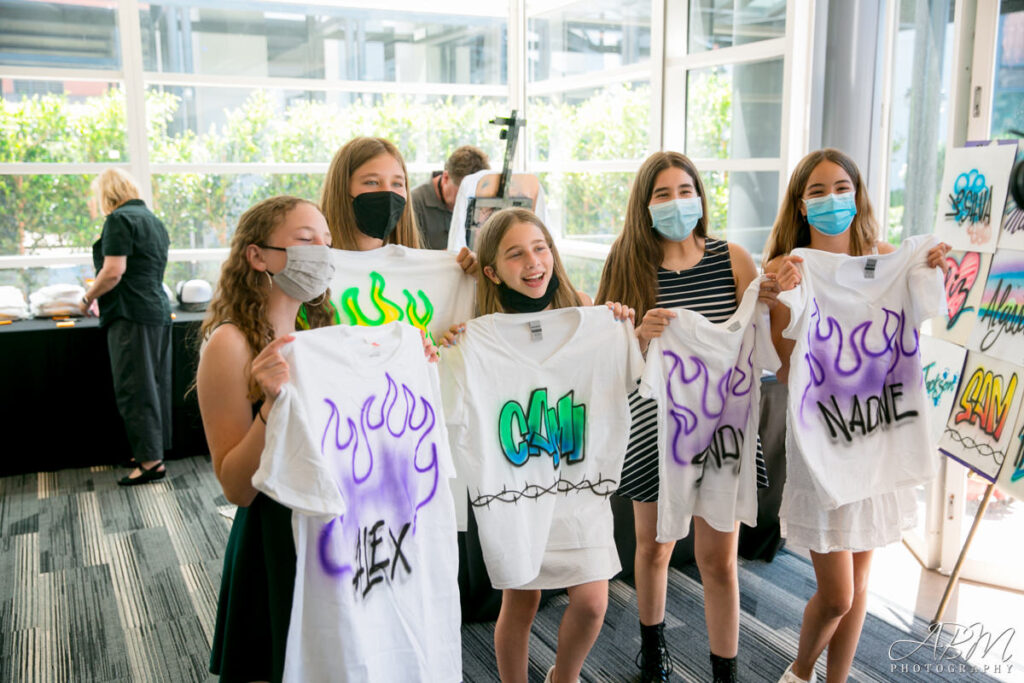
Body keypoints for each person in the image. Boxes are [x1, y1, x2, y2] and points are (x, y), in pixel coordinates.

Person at [763, 148, 949, 683]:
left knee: (861, 583)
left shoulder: (890, 257)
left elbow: (928, 319)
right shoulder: (790, 267)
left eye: (841, 187)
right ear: (801, 205)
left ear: (858, 193)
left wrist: (928, 271)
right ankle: (799, 673)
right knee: (838, 594)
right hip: (825, 437)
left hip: (880, 430)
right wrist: (784, 299)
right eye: (817, 191)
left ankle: (835, 679)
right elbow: (783, 367)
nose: (831, 199)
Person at [596, 151, 775, 683]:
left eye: (685, 190)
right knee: (652, 548)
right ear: (644, 205)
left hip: (722, 430)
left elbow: (767, 326)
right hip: (656, 432)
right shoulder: (627, 265)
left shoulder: (733, 259)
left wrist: (775, 291)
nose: (677, 202)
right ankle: (653, 654)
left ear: (700, 197)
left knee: (718, 559)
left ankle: (726, 669)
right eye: (663, 194)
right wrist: (636, 335)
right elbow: (606, 354)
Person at [442, 207, 635, 683]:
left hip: (578, 487)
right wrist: (445, 349)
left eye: (540, 248)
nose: (533, 262)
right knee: (521, 601)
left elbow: (623, 386)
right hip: (517, 492)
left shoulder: (588, 313)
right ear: (491, 271)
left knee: (592, 603)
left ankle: (563, 676)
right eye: (515, 254)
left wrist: (622, 328)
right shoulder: (477, 329)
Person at [198, 195, 337, 682]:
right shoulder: (229, 344)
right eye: (305, 240)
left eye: (327, 241)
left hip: (327, 531)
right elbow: (236, 487)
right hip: (272, 540)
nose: (320, 251)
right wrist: (272, 404)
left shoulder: (323, 331)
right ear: (258, 256)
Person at [80, 168, 173, 486]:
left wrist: (87, 296)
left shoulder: (119, 220)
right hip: (156, 308)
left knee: (135, 387)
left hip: (130, 312)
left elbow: (113, 271)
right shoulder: (153, 221)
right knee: (154, 385)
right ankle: (151, 450)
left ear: (107, 195)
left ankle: (151, 462)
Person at [411, 145, 490, 249]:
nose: (466, 204)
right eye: (461, 195)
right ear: (445, 177)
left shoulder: (481, 203)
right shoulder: (413, 202)